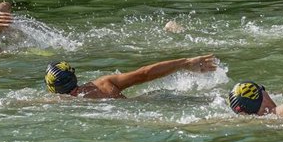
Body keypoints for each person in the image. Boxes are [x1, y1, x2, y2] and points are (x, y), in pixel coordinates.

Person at [45, 55, 218, 98]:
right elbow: (144, 73)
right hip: (151, 104)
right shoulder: (104, 84)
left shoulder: (53, 104)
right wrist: (185, 63)